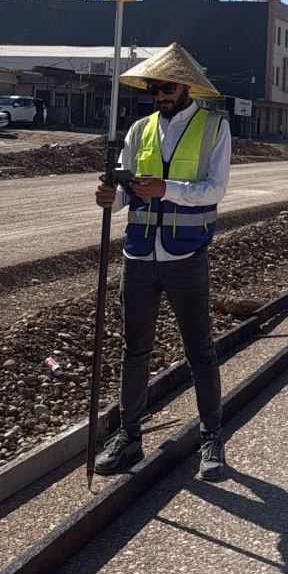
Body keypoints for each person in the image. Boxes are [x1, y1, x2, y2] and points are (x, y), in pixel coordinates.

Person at [94, 42, 231, 480]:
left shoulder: (214, 128)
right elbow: (124, 191)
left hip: (186, 256)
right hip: (138, 256)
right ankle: (129, 438)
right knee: (133, 351)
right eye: (155, 87)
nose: (160, 94)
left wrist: (166, 189)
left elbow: (215, 189)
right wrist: (110, 198)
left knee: (200, 351)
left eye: (167, 87)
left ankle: (211, 438)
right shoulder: (140, 130)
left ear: (186, 87)